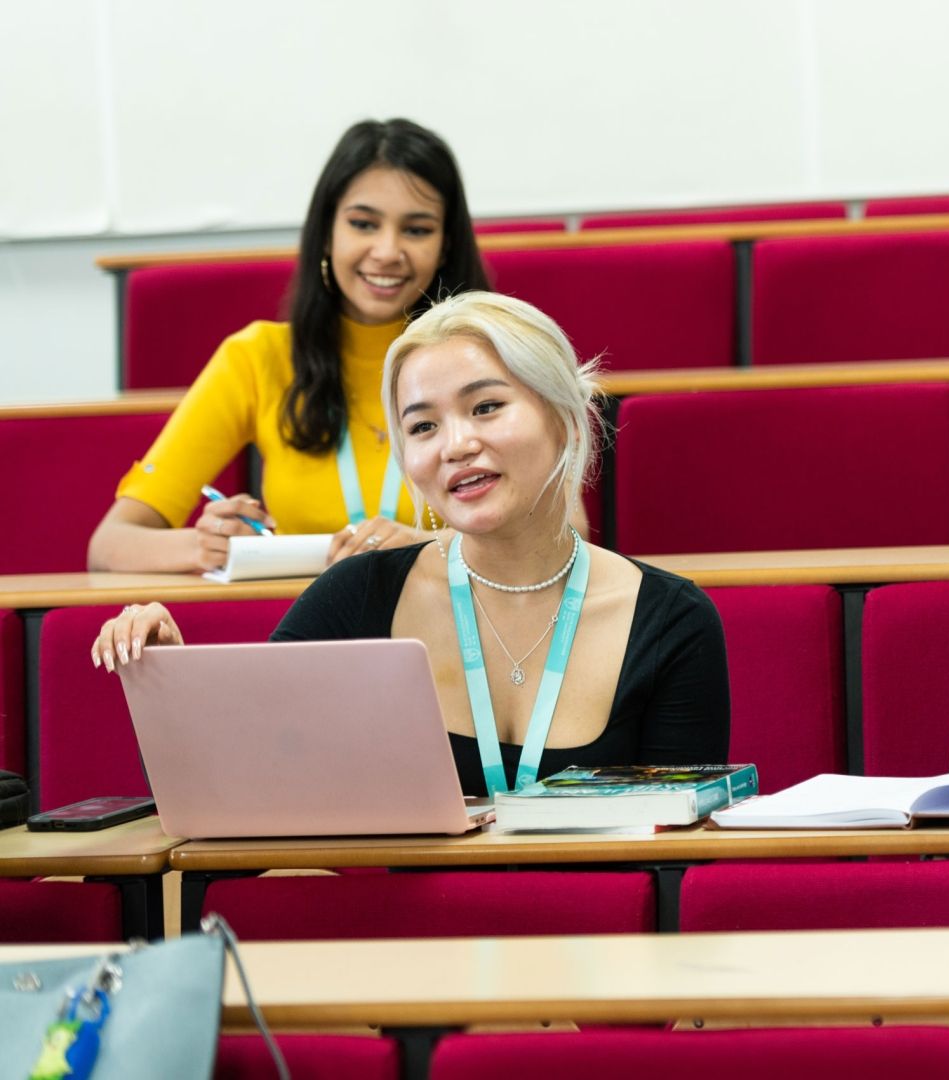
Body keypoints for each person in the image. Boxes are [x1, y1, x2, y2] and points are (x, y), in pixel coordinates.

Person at [92, 292, 729, 797]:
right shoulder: (357, 596)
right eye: (423, 425)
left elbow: (673, 864)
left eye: (485, 408)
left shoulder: (671, 622)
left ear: (563, 419)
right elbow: (235, 797)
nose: (454, 445)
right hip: (402, 950)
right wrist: (170, 682)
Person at [88, 118, 493, 573]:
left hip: (458, 624)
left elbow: (567, 526)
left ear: (445, 246)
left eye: (416, 230)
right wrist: (210, 547)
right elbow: (110, 545)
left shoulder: (489, 352)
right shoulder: (258, 357)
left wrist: (426, 545)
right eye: (363, 224)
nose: (386, 250)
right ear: (326, 232)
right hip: (310, 631)